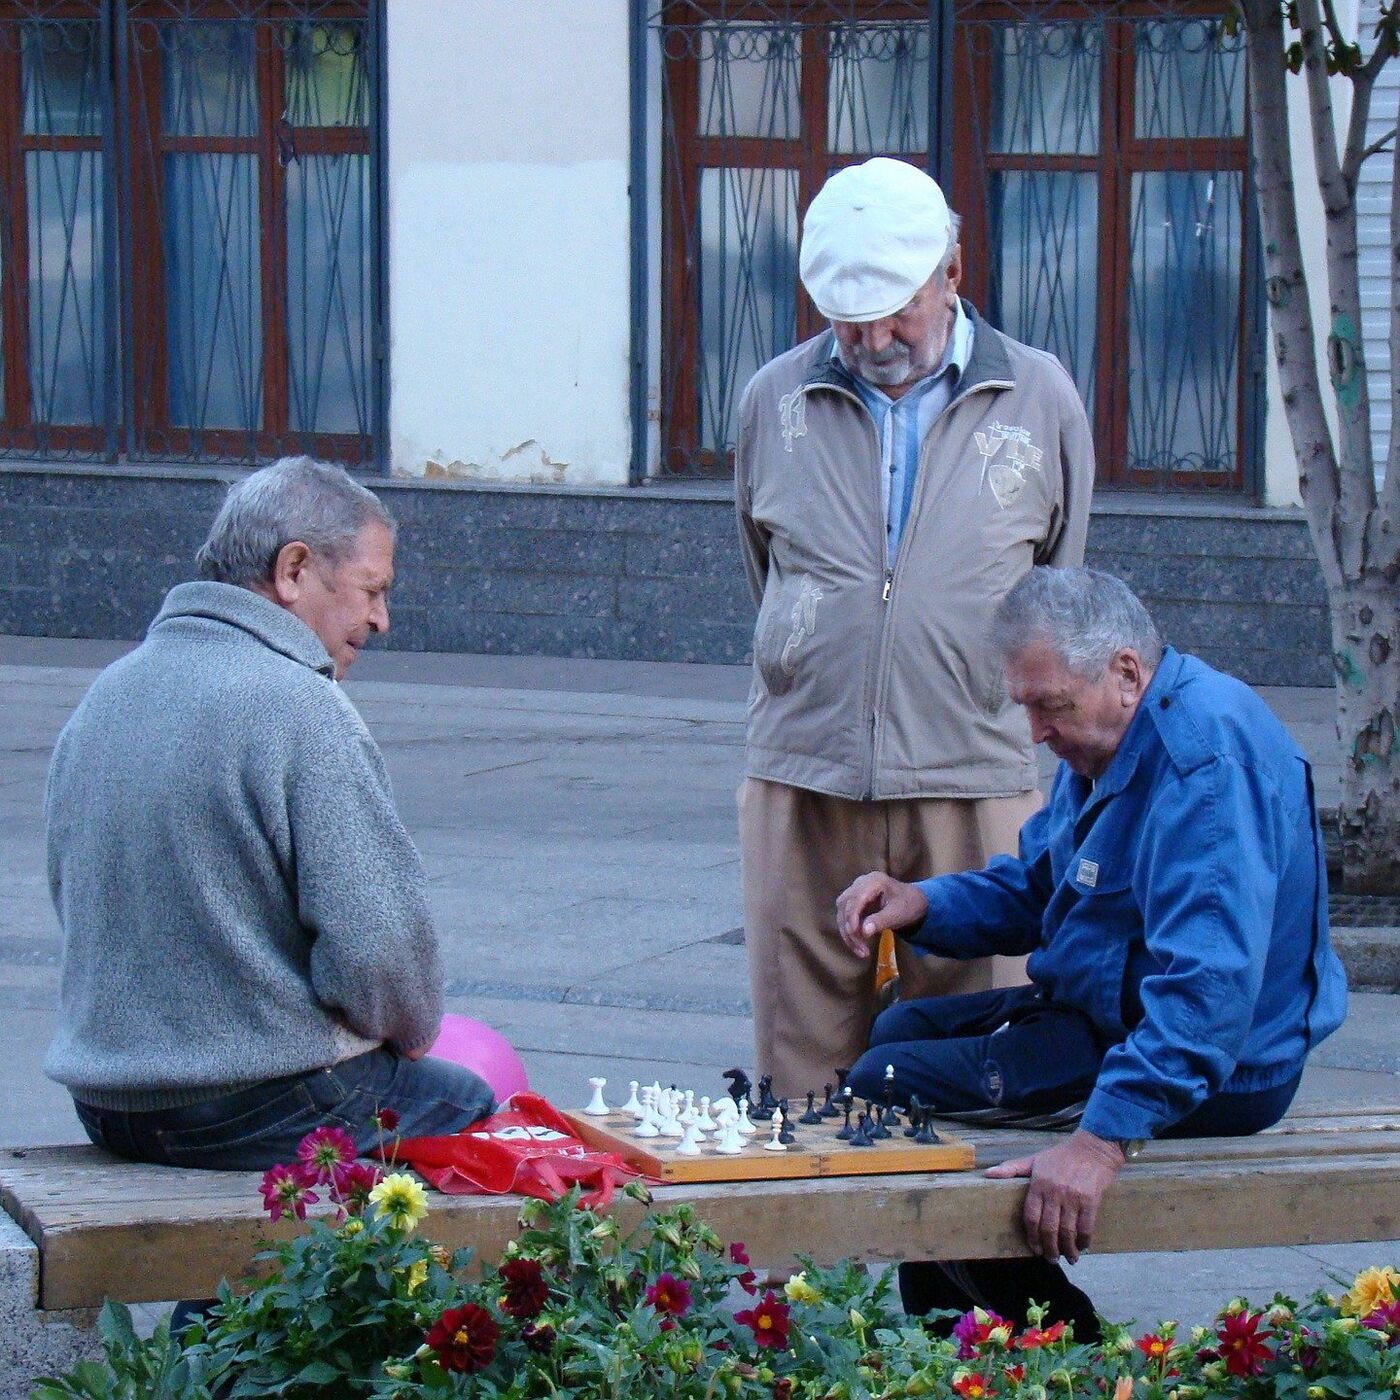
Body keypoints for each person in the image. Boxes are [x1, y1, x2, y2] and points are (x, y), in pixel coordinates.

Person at [836, 566, 1347, 1330]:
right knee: (897, 1036)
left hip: (1221, 1065)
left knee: (887, 1080)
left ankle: (1072, 1349)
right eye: (1026, 708)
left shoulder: (1204, 764)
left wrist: (1101, 1143)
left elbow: (1207, 998)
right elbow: (1044, 889)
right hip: (1107, 1015)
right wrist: (921, 904)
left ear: (1126, 674)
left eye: (1050, 706)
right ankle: (954, 1342)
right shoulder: (1109, 737)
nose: (1036, 732)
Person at [735, 156, 1095, 1098]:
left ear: (954, 272)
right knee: (798, 1068)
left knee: (979, 1061)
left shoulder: (1041, 396)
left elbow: (1059, 585)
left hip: (976, 772)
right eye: (848, 316)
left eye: (897, 307)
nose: (873, 336)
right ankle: (813, 1246)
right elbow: (767, 570)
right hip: (803, 770)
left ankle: (959, 1256)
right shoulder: (773, 400)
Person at [44, 456, 495, 1170]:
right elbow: (379, 951)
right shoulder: (301, 706)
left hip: (107, 1101)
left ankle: (223, 1287)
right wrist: (408, 1030)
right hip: (249, 1102)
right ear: (294, 571)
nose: (381, 618)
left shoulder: (108, 693)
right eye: (371, 590)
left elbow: (74, 895)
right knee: (467, 1108)